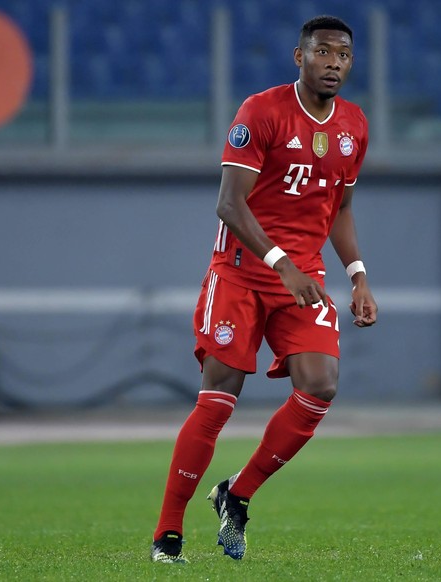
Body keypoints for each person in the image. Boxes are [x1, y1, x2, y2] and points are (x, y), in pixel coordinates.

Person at [150, 15, 377, 564]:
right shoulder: (261, 112)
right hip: (241, 272)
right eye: (322, 52)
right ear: (298, 57)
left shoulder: (354, 126)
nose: (333, 62)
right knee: (219, 397)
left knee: (320, 385)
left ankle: (238, 493)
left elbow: (339, 207)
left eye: (343, 55)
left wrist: (358, 276)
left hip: (302, 279)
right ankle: (168, 535)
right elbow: (229, 203)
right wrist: (282, 265)